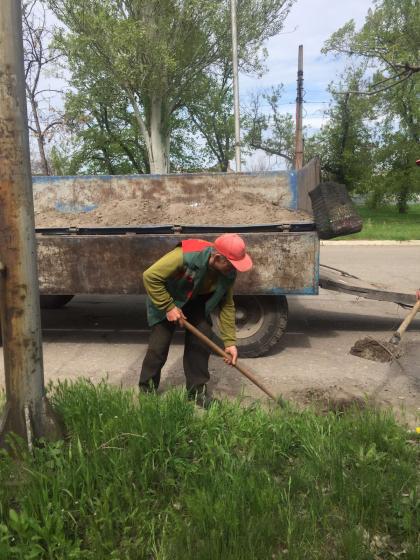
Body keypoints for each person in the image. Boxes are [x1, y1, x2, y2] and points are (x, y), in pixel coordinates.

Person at [139, 233, 253, 406]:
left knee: (202, 339)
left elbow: (227, 305)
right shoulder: (185, 255)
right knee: (159, 345)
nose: (233, 270)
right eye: (231, 265)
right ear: (217, 258)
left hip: (197, 300)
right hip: (169, 296)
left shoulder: (228, 272)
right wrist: (169, 306)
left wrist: (230, 342)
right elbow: (150, 276)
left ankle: (196, 392)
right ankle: (147, 391)